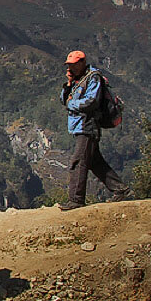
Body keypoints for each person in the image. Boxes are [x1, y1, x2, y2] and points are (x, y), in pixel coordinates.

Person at [58, 50, 132, 210]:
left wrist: (72, 105)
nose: (70, 68)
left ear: (81, 63)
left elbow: (92, 102)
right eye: (68, 65)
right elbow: (63, 99)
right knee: (95, 162)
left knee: (78, 162)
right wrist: (69, 84)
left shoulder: (93, 78)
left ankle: (76, 200)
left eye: (73, 65)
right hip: (79, 126)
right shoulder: (77, 81)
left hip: (88, 126)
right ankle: (121, 189)